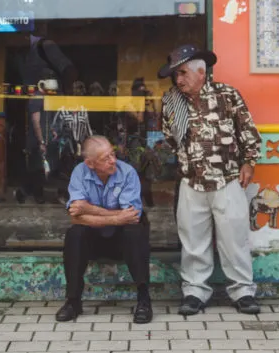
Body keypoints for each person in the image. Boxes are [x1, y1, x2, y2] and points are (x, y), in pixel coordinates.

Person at [159, 44, 262, 316]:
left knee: (234, 238)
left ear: (200, 72)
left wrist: (249, 162)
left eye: (182, 73)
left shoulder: (227, 95)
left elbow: (248, 131)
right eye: (175, 75)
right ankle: (194, 292)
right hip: (191, 181)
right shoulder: (171, 100)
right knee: (193, 240)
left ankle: (242, 291)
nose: (178, 80)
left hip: (227, 179)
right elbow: (169, 137)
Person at [57, 136, 153, 324]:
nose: (113, 161)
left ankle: (144, 299)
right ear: (90, 163)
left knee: (134, 231)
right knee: (75, 234)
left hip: (122, 241)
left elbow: (131, 216)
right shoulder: (79, 172)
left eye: (113, 154)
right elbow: (75, 217)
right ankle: (73, 301)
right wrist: (117, 217)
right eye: (105, 158)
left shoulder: (127, 173)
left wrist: (88, 209)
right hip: (94, 239)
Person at [20, 25, 78, 202]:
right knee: (40, 165)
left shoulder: (46, 46)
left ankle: (36, 192)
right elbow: (36, 120)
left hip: (49, 135)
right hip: (44, 135)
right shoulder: (39, 97)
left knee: (49, 164)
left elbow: (69, 69)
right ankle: (31, 193)